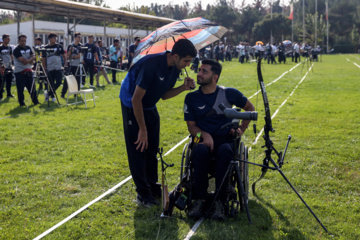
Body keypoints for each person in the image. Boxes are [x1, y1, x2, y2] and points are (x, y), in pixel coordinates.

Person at [119, 39, 197, 207]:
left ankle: (152, 185)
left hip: (149, 105)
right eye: (186, 61)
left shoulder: (175, 68)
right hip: (132, 104)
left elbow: (164, 95)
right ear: (175, 56)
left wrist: (183, 88)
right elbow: (136, 99)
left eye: (190, 61)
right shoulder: (151, 65)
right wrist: (142, 129)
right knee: (139, 148)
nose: (188, 65)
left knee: (152, 147)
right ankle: (143, 194)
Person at [183, 59, 255, 220]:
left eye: (204, 71)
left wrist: (241, 129)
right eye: (199, 70)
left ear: (215, 77)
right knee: (200, 150)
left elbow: (250, 109)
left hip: (225, 139)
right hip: (201, 140)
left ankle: (220, 202)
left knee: (225, 150)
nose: (199, 74)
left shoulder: (229, 93)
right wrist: (204, 135)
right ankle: (199, 199)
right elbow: (192, 127)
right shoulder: (191, 98)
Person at [13, 34, 39, 106]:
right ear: (18, 41)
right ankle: (22, 103)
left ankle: (35, 101)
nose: (23, 42)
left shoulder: (28, 47)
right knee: (20, 89)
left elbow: (33, 55)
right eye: (22, 41)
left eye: (24, 41)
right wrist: (31, 59)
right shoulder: (16, 50)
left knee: (32, 87)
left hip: (28, 70)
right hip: (19, 72)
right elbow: (24, 61)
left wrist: (30, 59)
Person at [42, 33, 66, 102]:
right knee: (51, 83)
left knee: (59, 82)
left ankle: (48, 94)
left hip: (58, 67)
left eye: (56, 38)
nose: (55, 39)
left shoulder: (59, 46)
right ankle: (52, 96)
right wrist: (44, 67)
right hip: (49, 68)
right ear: (49, 39)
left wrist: (65, 64)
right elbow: (43, 58)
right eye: (53, 38)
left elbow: (64, 56)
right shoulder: (45, 47)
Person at [61, 32, 82, 97]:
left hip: (77, 65)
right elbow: (67, 56)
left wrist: (72, 57)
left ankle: (76, 94)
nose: (79, 38)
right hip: (70, 65)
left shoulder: (81, 46)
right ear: (75, 38)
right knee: (67, 80)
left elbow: (79, 55)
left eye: (80, 37)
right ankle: (63, 94)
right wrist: (70, 50)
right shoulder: (70, 45)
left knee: (77, 80)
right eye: (78, 37)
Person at [0, 34, 15, 100]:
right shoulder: (0, 47)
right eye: (7, 38)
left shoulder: (9, 47)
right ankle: (0, 96)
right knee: (1, 82)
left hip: (9, 66)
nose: (9, 40)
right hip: (2, 67)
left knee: (9, 81)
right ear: (4, 39)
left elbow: (11, 55)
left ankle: (9, 94)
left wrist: (13, 63)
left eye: (9, 38)